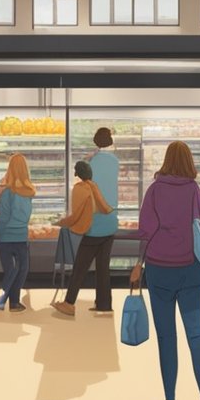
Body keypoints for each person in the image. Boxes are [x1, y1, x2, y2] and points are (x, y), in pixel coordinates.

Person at [129, 141, 200, 400]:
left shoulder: (154, 190)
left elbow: (145, 230)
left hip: (159, 269)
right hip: (190, 269)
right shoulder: (192, 189)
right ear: (189, 161)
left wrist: (139, 263)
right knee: (196, 332)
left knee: (166, 336)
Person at [52, 159, 114, 316]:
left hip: (93, 232)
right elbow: (105, 208)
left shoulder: (79, 188)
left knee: (79, 268)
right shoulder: (95, 186)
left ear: (77, 173)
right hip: (109, 230)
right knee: (103, 269)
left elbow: (76, 216)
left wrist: (61, 222)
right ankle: (104, 305)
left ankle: (69, 304)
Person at [83, 127, 120, 312]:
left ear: (95, 141)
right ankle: (104, 303)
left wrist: (88, 159)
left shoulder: (92, 162)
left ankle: (69, 300)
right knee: (103, 264)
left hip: (95, 218)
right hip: (111, 217)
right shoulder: (115, 161)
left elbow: (86, 186)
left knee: (82, 263)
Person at [0, 154, 35, 312]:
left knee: (10, 269)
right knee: (22, 267)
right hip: (20, 235)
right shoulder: (29, 191)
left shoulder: (6, 192)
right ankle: (14, 302)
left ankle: (8, 295)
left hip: (5, 236)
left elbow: (4, 214)